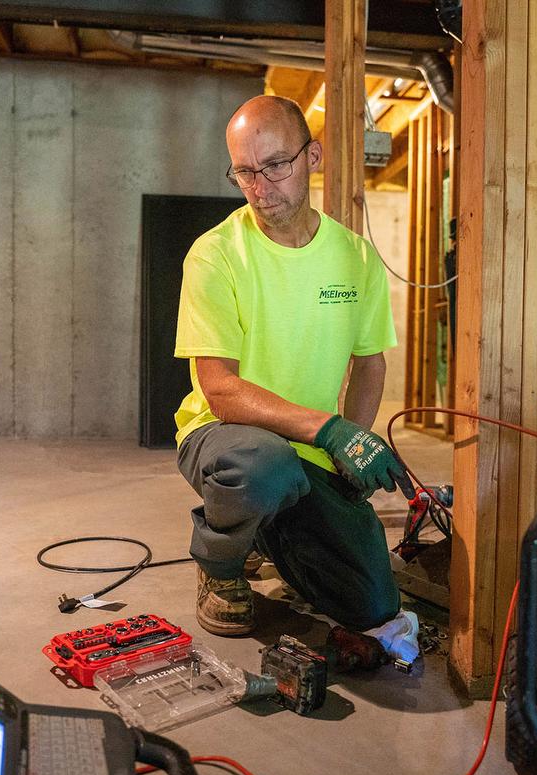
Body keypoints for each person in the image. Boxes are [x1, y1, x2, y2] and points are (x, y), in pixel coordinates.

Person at [173, 94, 416, 648]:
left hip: (306, 450)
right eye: (245, 173)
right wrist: (330, 429)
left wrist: (350, 446)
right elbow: (221, 391)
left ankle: (268, 530)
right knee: (266, 467)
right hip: (225, 440)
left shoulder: (355, 258)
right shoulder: (215, 256)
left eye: (275, 166)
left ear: (313, 156)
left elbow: (368, 362)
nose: (261, 188)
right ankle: (220, 563)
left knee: (372, 602)